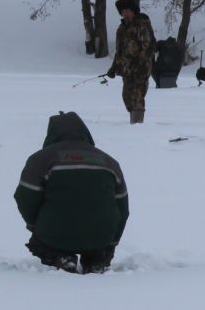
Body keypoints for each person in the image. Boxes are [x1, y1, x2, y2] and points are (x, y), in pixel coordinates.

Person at [14, 111, 129, 273]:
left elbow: (25, 198)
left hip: (54, 232)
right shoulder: (109, 161)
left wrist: (36, 227)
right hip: (101, 235)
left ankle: (59, 257)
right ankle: (97, 260)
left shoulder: (41, 159)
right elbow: (123, 208)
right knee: (97, 242)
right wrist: (112, 243)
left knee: (41, 243)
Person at [103, 0, 155, 124]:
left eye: (127, 10)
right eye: (122, 11)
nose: (125, 13)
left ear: (133, 11)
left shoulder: (141, 24)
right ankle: (133, 120)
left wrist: (141, 64)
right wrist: (114, 67)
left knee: (137, 97)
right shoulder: (122, 28)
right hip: (126, 70)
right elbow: (120, 50)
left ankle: (137, 125)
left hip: (140, 69)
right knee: (127, 97)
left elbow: (148, 46)